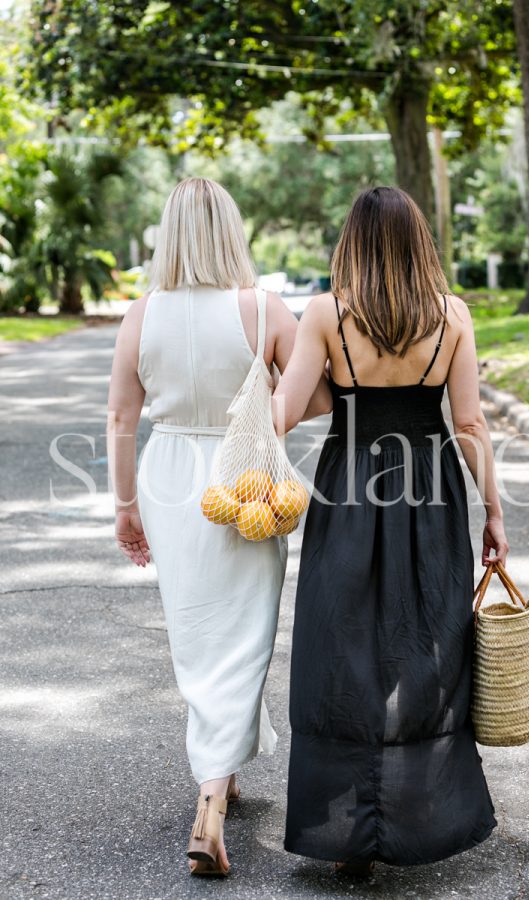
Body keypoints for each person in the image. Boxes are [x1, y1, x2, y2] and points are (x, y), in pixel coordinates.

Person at [273, 186, 508, 875]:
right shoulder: (452, 316)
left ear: (352, 242)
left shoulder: (325, 315)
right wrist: (493, 509)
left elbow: (284, 414)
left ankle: (349, 830)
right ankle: (418, 819)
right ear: (417, 243)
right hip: (429, 492)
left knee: (343, 647)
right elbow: (468, 426)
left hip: (348, 493)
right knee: (426, 647)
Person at [107, 177, 330, 877]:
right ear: (232, 232)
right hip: (247, 477)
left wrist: (124, 506)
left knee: (199, 631)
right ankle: (212, 799)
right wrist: (262, 393)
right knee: (245, 633)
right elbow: (318, 395)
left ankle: (222, 771)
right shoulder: (263, 310)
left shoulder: (142, 315)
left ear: (169, 236)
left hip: (171, 473)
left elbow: (119, 418)